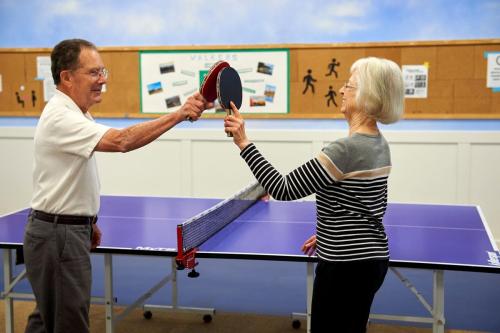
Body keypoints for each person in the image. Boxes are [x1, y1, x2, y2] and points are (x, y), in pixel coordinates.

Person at [23, 38, 213, 333]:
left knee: (47, 319)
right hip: (57, 236)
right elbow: (122, 141)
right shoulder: (61, 117)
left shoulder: (76, 111)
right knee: (68, 323)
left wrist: (88, 220)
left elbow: (70, 176)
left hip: (64, 229)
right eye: (93, 73)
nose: (102, 81)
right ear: (67, 77)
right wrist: (179, 113)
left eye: (103, 72)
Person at [224, 57, 404, 333]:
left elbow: (283, 188)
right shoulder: (379, 143)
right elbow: (368, 202)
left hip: (345, 267)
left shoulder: (345, 149)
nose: (342, 91)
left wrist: (243, 142)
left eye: (349, 86)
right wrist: (329, 232)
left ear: (368, 95)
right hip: (371, 261)